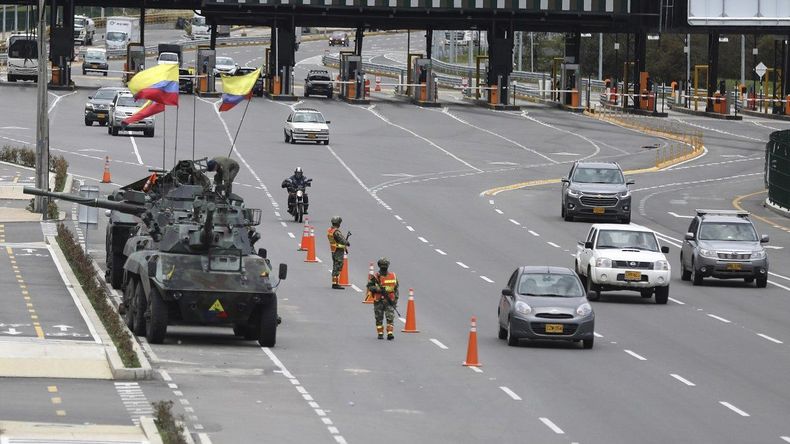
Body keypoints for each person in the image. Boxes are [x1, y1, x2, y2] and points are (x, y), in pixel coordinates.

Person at [367, 257, 399, 340]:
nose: (384, 267)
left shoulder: (393, 276)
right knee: (379, 318)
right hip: (379, 300)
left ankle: (390, 333)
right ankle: (380, 333)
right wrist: (377, 289)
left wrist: (395, 300)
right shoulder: (375, 277)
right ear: (379, 266)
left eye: (385, 265)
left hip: (389, 300)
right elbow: (369, 286)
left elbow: (396, 289)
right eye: (382, 265)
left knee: (390, 317)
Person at [327, 216, 350, 289]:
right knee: (338, 266)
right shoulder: (336, 232)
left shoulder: (330, 230)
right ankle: (335, 284)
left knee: (335, 266)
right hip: (338, 251)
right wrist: (347, 243)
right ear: (338, 223)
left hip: (334, 250)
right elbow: (342, 240)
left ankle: (334, 283)